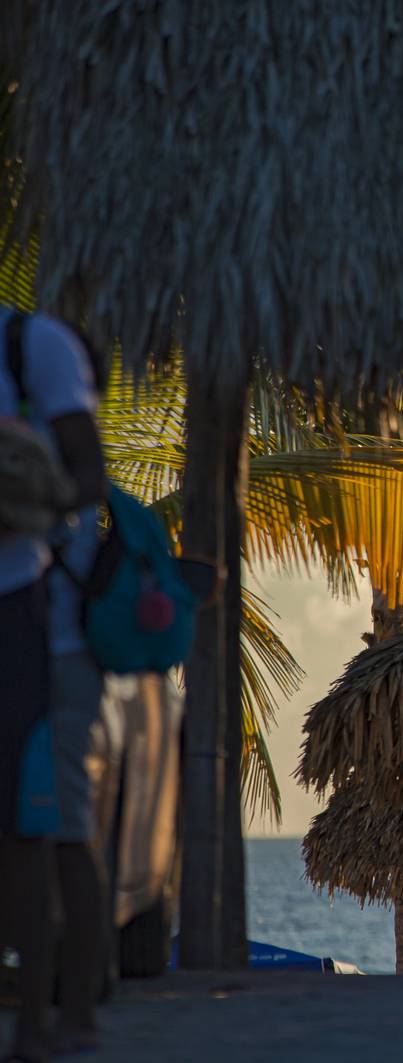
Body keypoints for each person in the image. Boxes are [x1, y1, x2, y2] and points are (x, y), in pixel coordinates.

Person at [0, 306, 104, 1063]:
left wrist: (25, 496)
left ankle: (44, 1020)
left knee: (33, 828)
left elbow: (87, 473)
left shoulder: (29, 345)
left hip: (18, 615)